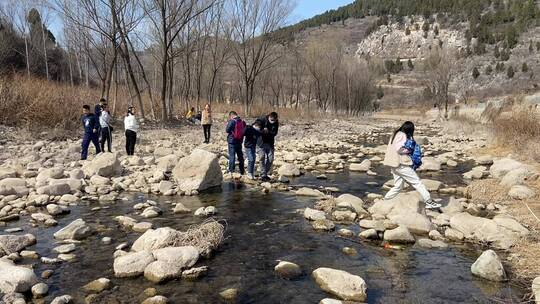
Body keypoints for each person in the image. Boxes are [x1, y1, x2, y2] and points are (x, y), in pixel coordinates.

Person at [383, 121, 441, 209]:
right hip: (401, 164)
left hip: (393, 164)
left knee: (398, 186)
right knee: (417, 182)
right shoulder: (402, 135)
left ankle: (386, 199)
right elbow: (399, 149)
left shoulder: (395, 134)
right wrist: (410, 151)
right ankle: (429, 201)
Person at [256, 112, 279, 181]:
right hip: (261, 142)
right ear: (269, 117)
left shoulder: (276, 123)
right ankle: (263, 174)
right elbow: (255, 127)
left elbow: (274, 133)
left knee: (271, 158)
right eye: (271, 120)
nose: (272, 121)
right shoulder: (262, 120)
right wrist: (262, 130)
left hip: (270, 143)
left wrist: (268, 132)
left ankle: (264, 173)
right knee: (262, 157)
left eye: (273, 120)